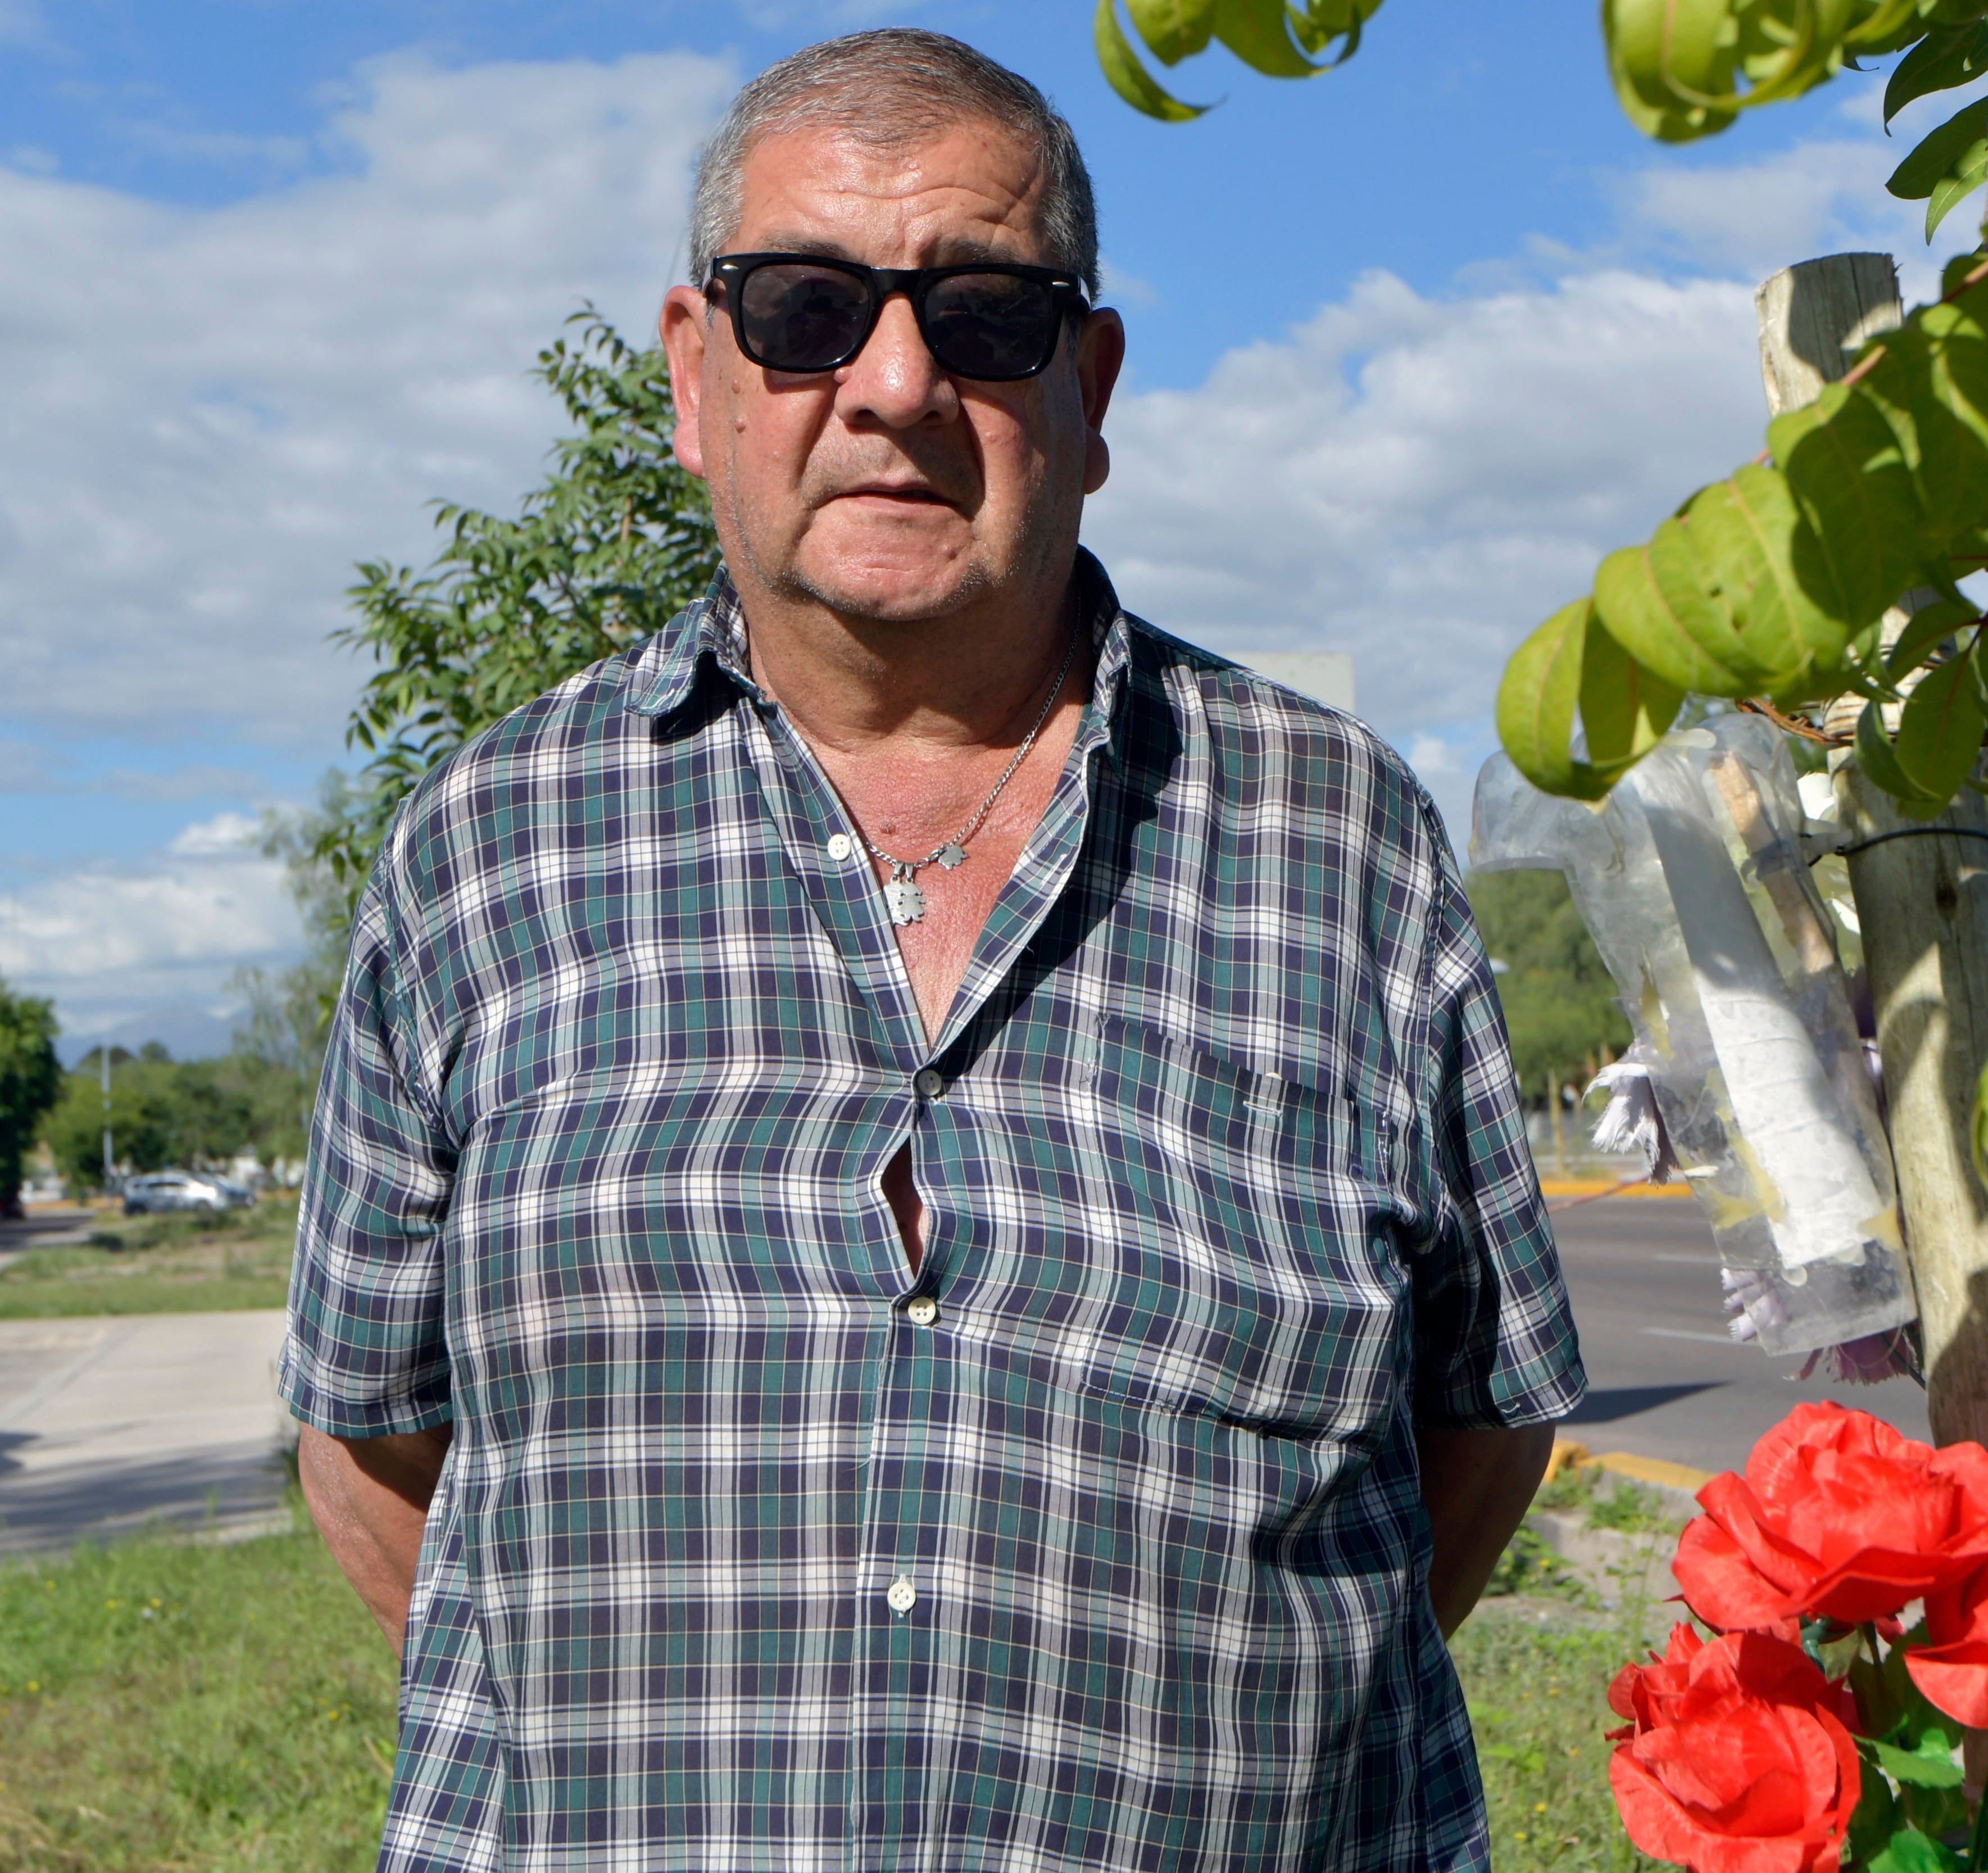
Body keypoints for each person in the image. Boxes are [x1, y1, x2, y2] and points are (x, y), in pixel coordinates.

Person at [282, 28, 1582, 1871]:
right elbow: (372, 1449)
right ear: (694, 373)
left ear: (1091, 383)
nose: (893, 383)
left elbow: (1479, 1424)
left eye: (984, 316)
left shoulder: (1339, 843)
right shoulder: (486, 853)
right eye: (806, 309)